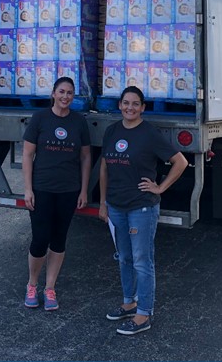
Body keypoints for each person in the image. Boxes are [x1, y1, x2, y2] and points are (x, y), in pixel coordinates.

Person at [98, 86, 189, 335]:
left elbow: (180, 162)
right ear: (119, 105)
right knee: (124, 258)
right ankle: (129, 303)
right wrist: (103, 202)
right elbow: (104, 169)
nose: (130, 108)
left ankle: (144, 314)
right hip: (116, 206)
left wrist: (160, 187)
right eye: (126, 103)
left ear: (143, 108)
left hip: (142, 206)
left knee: (142, 260)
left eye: (135, 104)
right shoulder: (112, 131)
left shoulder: (149, 134)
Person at [21, 76, 93, 311]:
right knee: (40, 239)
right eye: (61, 92)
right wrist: (28, 188)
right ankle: (32, 284)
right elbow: (27, 155)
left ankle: (50, 288)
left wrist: (83, 190)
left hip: (68, 190)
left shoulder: (78, 121)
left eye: (69, 93)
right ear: (53, 93)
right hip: (42, 188)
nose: (65, 97)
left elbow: (85, 157)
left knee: (59, 240)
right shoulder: (40, 118)